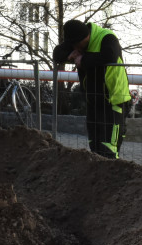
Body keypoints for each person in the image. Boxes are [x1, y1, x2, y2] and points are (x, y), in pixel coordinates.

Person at [53, 19, 131, 159]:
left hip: (113, 101)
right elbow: (57, 54)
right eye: (74, 46)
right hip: (94, 102)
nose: (77, 48)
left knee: (108, 148)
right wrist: (69, 55)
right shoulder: (76, 41)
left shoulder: (107, 37)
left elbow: (109, 56)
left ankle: (111, 177)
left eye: (78, 45)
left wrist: (83, 60)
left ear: (86, 36)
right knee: (95, 148)